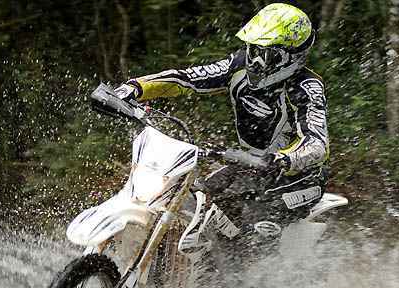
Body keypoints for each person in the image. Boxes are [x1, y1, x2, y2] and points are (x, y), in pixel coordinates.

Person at [116, 3, 328, 246]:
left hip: (298, 177)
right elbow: (186, 78)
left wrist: (282, 159)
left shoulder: (306, 87)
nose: (256, 62)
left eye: (267, 54)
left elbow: (316, 142)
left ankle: (257, 283)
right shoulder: (237, 66)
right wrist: (135, 88)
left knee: (254, 227)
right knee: (191, 198)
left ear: (292, 56)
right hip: (248, 164)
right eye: (253, 50)